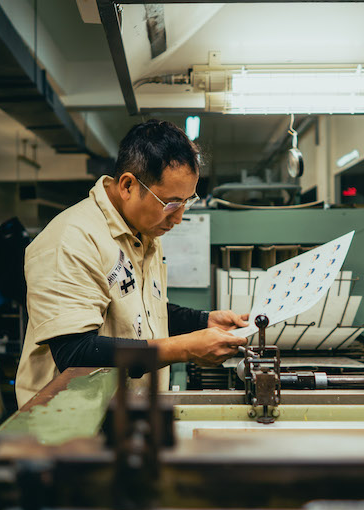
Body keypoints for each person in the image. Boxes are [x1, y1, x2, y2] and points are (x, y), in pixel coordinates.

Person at [15, 120, 248, 407]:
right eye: (171, 204)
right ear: (127, 185)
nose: (178, 218)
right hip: (70, 430)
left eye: (187, 202)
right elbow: (76, 354)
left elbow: (141, 313)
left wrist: (203, 321)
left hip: (128, 418)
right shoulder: (70, 240)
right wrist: (184, 348)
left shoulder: (142, 233)